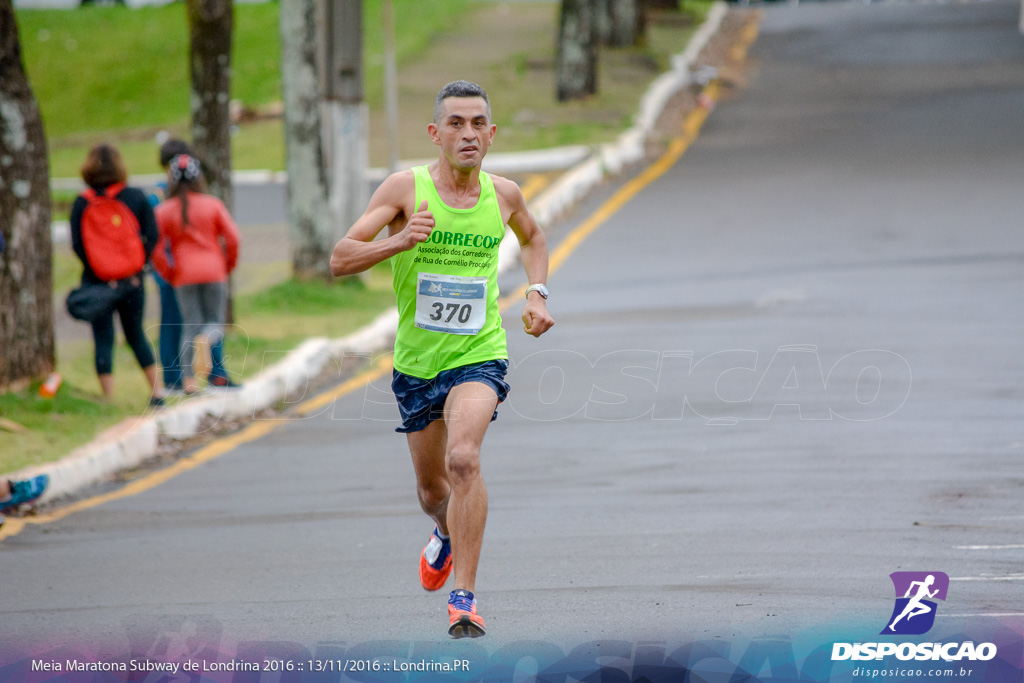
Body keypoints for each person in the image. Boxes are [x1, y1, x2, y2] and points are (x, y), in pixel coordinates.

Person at [330, 80, 554, 638]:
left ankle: (465, 599)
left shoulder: (503, 195)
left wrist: (536, 293)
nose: (468, 133)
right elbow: (340, 258)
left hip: (479, 354)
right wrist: (398, 242)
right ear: (435, 134)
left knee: (463, 460)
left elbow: (533, 239)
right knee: (433, 492)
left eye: (478, 123)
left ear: (492, 134)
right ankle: (445, 532)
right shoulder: (405, 190)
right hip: (416, 363)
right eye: (456, 123)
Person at [70, 144, 164, 406]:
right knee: (135, 333)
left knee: (103, 337)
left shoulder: (82, 202)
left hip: (96, 282)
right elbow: (152, 234)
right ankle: (157, 392)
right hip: (131, 281)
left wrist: (98, 270)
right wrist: (137, 267)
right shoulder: (135, 196)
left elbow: (78, 244)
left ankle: (108, 397)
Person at [149, 139, 237, 391]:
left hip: (183, 275)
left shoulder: (165, 210)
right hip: (213, 271)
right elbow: (232, 238)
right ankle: (206, 340)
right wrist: (227, 265)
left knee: (189, 326)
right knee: (214, 322)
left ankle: (188, 382)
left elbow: (155, 246)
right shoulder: (212, 205)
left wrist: (168, 271)